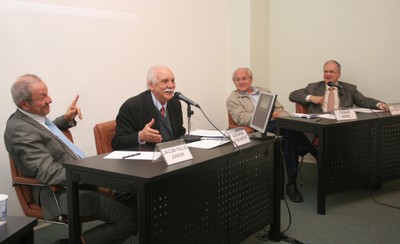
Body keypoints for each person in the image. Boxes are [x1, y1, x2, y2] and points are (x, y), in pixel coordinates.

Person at [4, 74, 136, 244]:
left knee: (136, 197)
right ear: (24, 104)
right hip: (60, 192)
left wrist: (65, 120)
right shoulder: (19, 130)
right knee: (128, 219)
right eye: (42, 97)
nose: (49, 100)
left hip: (78, 180)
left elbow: (46, 132)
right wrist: (94, 179)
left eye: (47, 93)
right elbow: (50, 173)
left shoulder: (31, 118)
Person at [226, 67, 316, 203]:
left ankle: (292, 182)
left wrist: (277, 115)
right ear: (234, 82)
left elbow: (281, 110)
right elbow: (241, 118)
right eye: (237, 80)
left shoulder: (264, 92)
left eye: (244, 78)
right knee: (288, 130)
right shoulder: (233, 99)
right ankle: (309, 151)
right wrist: (268, 116)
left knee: (287, 135)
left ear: (251, 79)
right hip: (258, 129)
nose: (241, 82)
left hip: (277, 126)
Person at [112, 65, 186, 150]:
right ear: (151, 85)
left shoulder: (175, 103)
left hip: (173, 156)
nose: (171, 85)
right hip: (148, 160)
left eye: (173, 81)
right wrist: (140, 136)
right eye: (165, 81)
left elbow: (179, 133)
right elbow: (117, 142)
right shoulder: (131, 106)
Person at [289, 60, 389, 112]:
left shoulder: (349, 89)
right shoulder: (313, 87)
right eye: (325, 71)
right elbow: (293, 95)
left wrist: (379, 104)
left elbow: (363, 100)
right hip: (320, 126)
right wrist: (311, 98)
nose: (327, 74)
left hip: (341, 126)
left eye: (331, 72)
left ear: (339, 74)